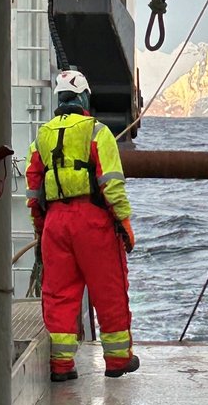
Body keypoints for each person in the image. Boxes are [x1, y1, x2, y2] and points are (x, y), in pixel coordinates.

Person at [26, 69, 139, 381]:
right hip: (92, 222)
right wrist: (124, 223)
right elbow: (111, 184)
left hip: (54, 225)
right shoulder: (96, 132)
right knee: (109, 290)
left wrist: (40, 228)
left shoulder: (42, 136)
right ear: (85, 96)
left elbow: (33, 190)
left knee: (59, 294)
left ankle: (61, 366)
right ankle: (117, 360)